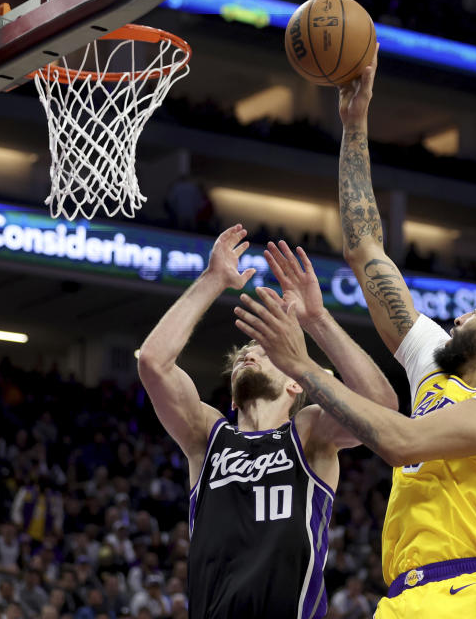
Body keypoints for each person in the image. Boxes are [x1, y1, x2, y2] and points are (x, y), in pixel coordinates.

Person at [233, 45, 476, 618]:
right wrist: (354, 126)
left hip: (471, 587)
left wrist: (302, 365)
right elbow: (365, 249)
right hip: (404, 593)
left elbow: (401, 442)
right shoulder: (434, 362)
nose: (459, 316)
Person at [137, 225, 397, 618]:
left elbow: (381, 406)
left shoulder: (309, 432)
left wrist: (317, 320)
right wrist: (213, 280)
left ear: (296, 382)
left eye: (265, 351)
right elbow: (153, 362)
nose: (247, 355)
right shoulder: (207, 435)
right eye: (243, 352)